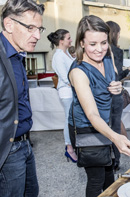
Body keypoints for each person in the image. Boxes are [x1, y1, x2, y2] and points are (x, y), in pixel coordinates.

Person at [0, 0, 44, 197]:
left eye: (39, 29)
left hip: (23, 145)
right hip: (3, 149)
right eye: (30, 28)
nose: (37, 36)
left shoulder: (17, 53)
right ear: (9, 24)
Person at [68, 15, 130, 197]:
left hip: (107, 123)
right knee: (96, 178)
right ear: (81, 43)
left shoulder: (108, 56)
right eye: (92, 44)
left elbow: (113, 82)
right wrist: (116, 137)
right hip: (88, 127)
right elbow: (91, 114)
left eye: (103, 42)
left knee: (110, 173)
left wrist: (117, 87)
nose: (99, 49)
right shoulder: (78, 71)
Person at [47, 29, 77, 163]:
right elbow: (65, 78)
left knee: (72, 120)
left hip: (71, 91)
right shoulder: (58, 55)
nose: (71, 40)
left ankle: (73, 146)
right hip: (66, 92)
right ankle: (69, 148)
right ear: (61, 41)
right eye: (68, 38)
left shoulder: (66, 54)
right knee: (68, 120)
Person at [106, 20, 130, 171]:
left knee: (103, 127)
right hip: (114, 95)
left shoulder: (99, 50)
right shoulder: (117, 51)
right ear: (114, 33)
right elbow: (117, 75)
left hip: (102, 95)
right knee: (115, 127)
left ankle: (106, 158)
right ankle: (116, 159)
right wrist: (127, 69)